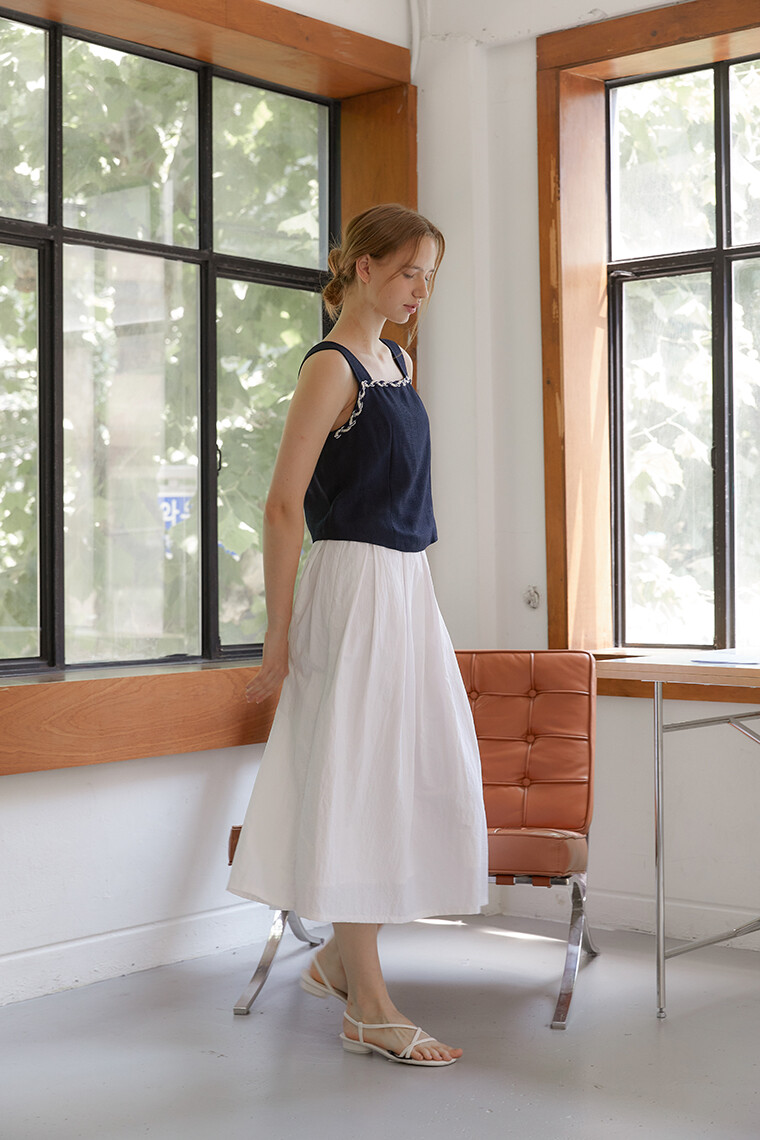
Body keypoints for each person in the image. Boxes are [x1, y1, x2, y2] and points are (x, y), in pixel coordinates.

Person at [228, 203, 488, 1067]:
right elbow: (281, 505)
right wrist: (277, 634)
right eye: (410, 270)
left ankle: (339, 961)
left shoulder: (397, 363)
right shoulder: (331, 366)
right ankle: (368, 1009)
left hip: (406, 584)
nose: (421, 290)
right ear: (363, 267)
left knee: (411, 766)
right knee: (362, 773)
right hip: (352, 585)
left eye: (430, 275)